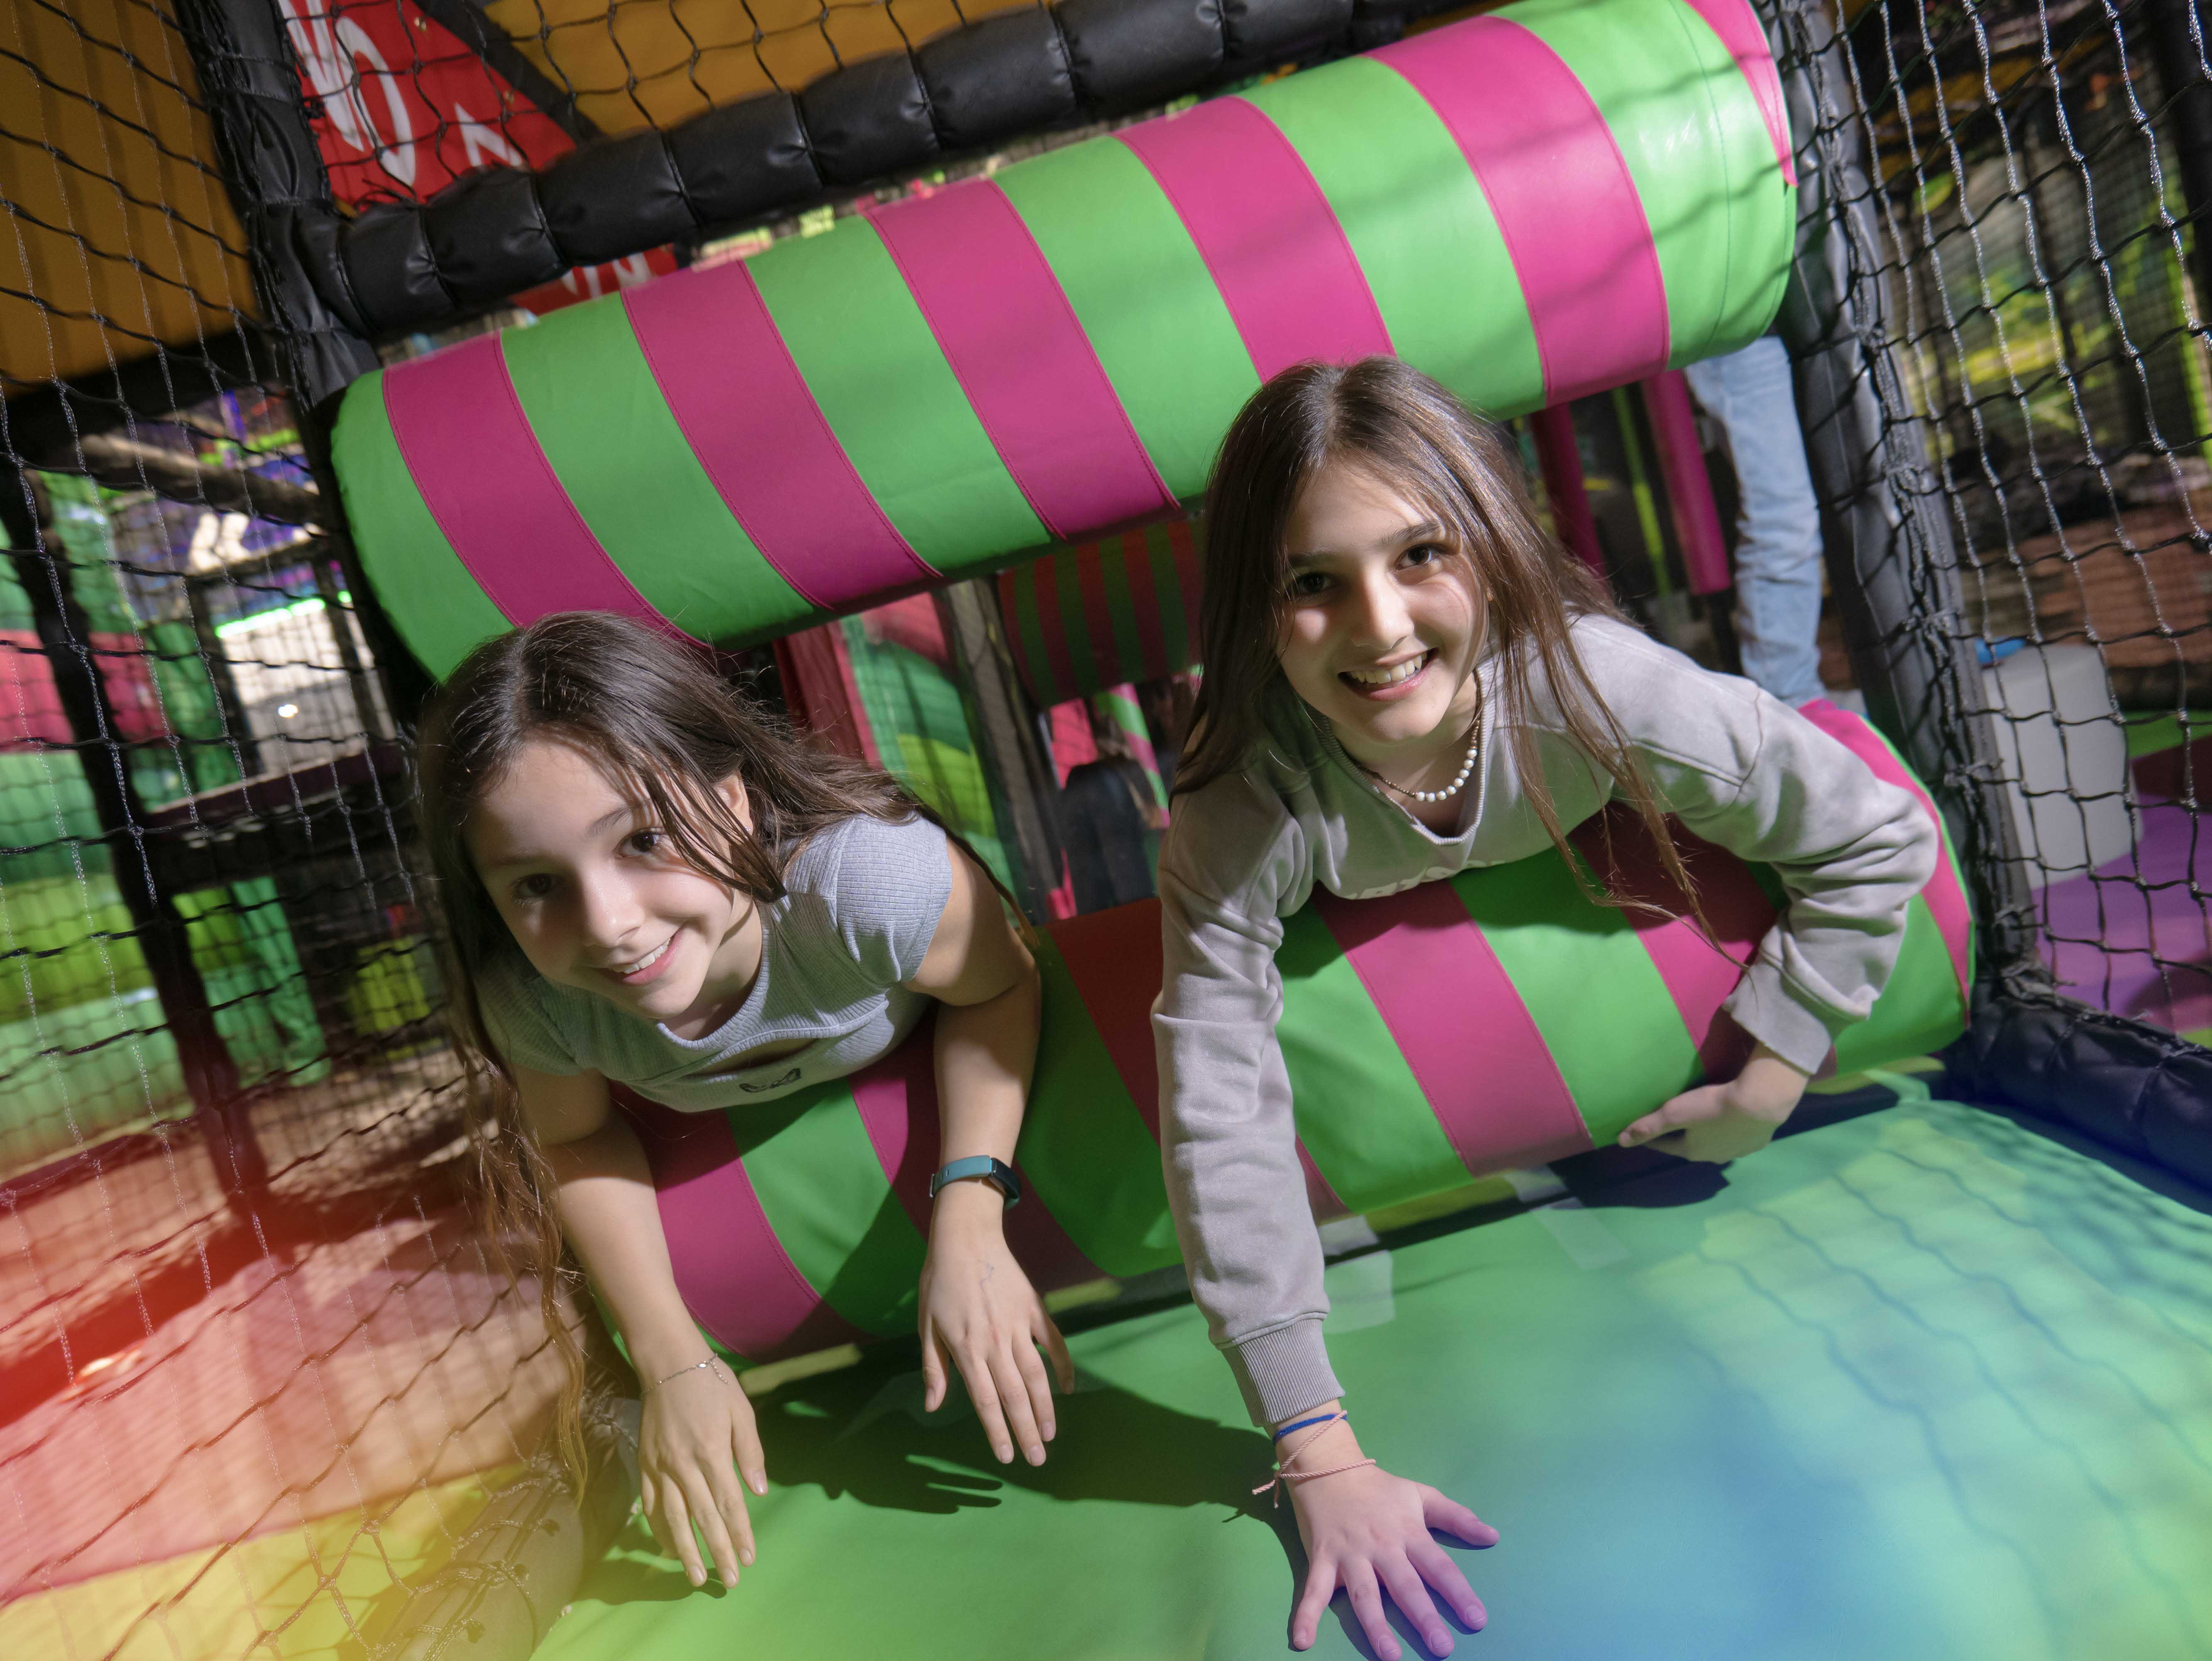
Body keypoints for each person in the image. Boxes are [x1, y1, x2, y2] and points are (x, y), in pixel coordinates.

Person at [1155, 359, 1938, 1659]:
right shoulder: (1246, 804)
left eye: (1422, 554)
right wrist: (1316, 1448)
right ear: (1253, 605)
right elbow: (1217, 1103)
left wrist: (1777, 1062)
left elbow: (1872, 835)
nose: (1378, 622)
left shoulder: (1607, 699)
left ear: (1495, 547)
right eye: (1312, 581)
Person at [416, 611, 1070, 1594]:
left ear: (729, 797)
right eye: (537, 884)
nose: (610, 923)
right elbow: (579, 1137)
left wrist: (971, 1210)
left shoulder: (869, 885)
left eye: (643, 838)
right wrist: (672, 1357)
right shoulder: (538, 998)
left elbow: (1001, 985)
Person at [1682, 335, 1832, 707]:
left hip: (1817, 314)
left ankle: (1793, 698)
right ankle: (1789, 702)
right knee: (1785, 519)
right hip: (1743, 326)